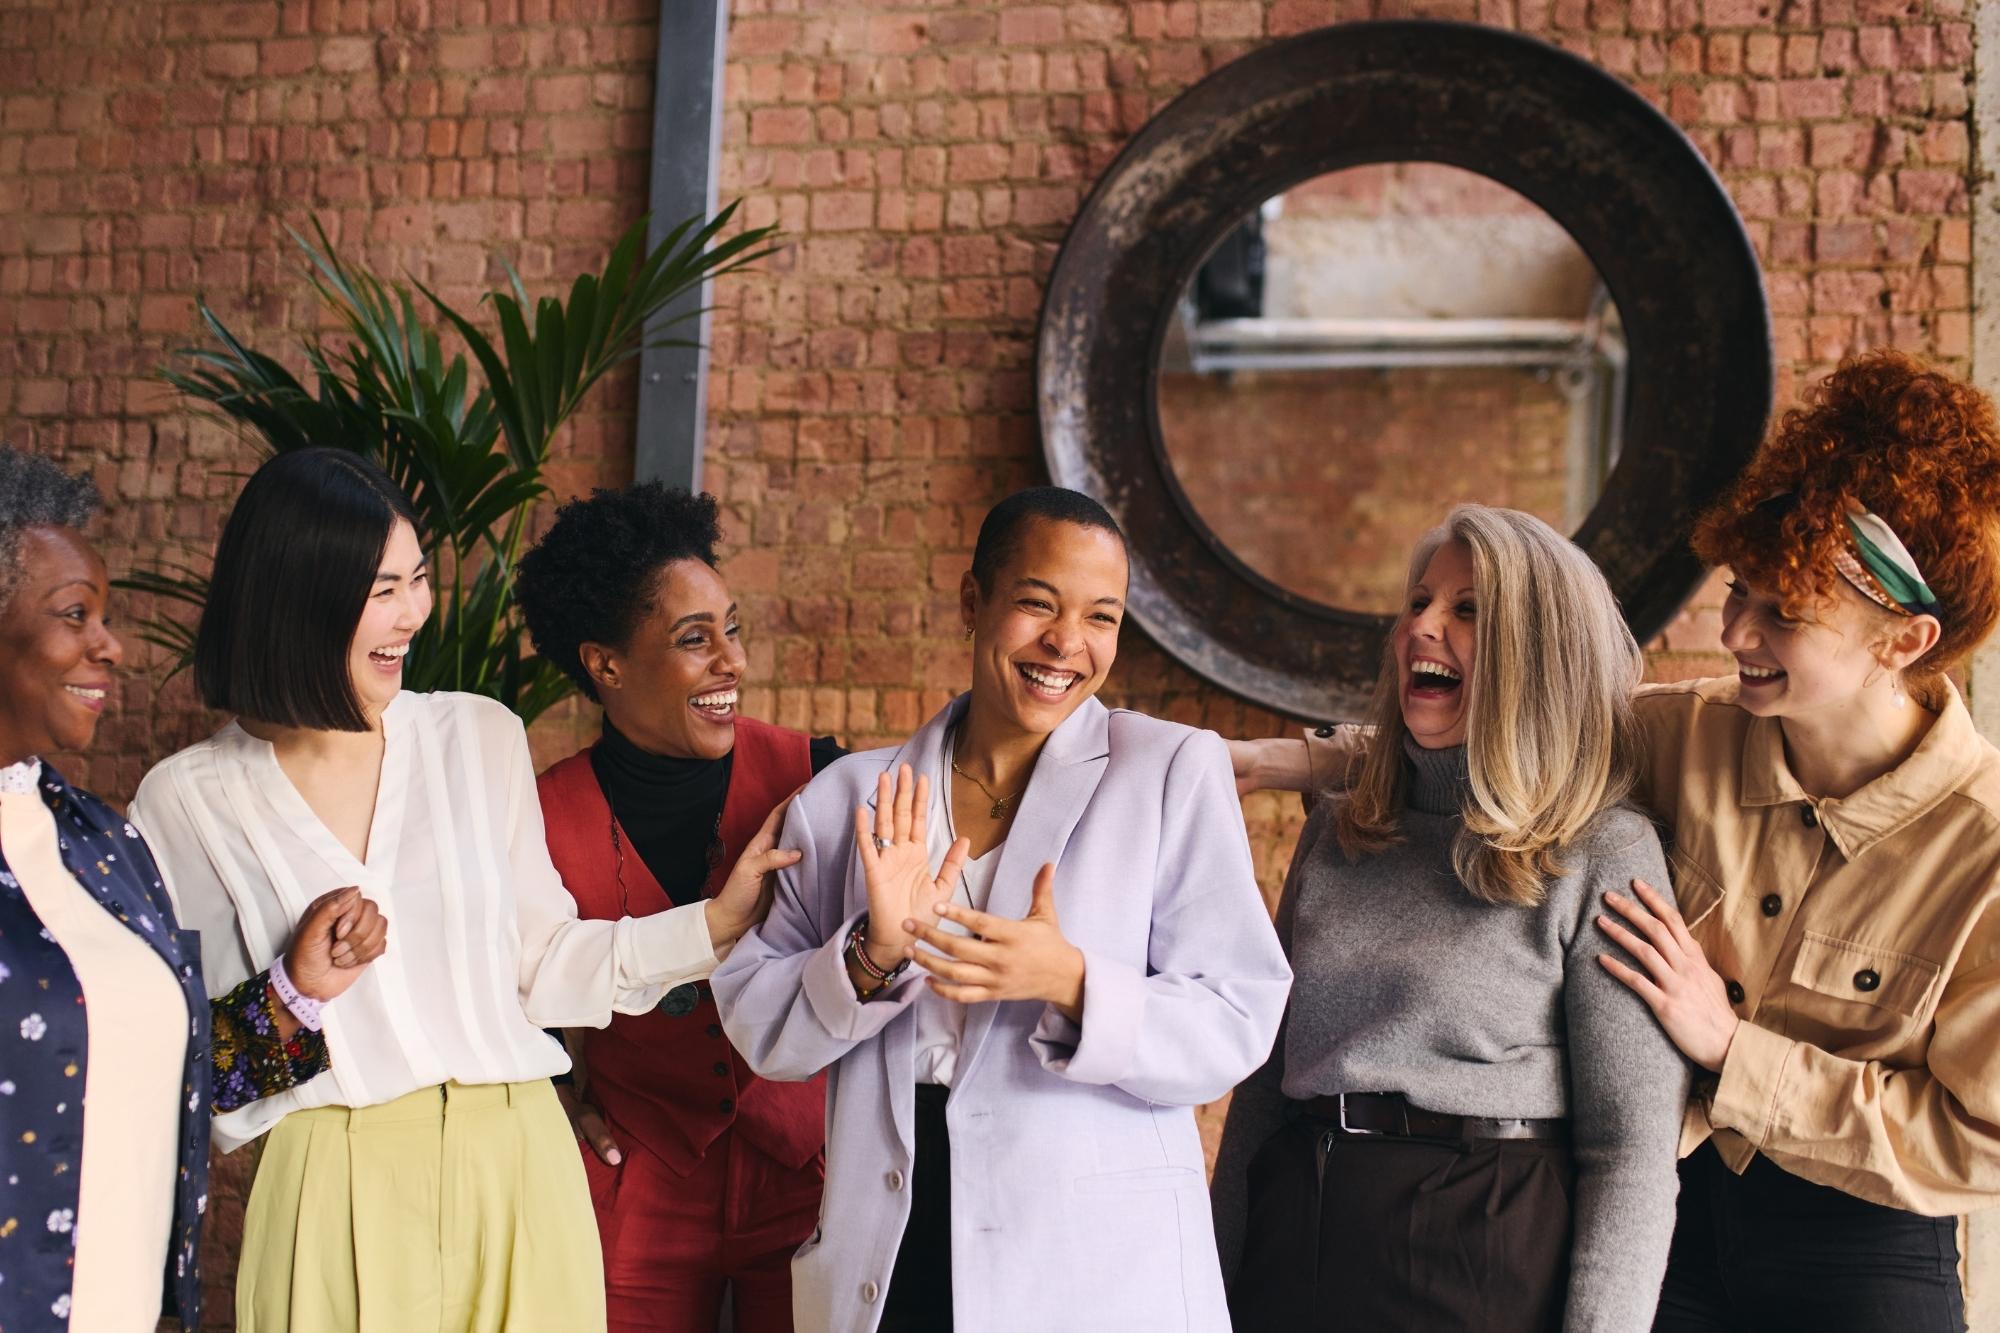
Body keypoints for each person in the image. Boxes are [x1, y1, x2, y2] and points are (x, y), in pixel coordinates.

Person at [1230, 351, 2000, 1330]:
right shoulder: (1681, 731)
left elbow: (1979, 1140)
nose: (1734, 635)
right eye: (1737, 592)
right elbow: (1507, 724)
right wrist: (1294, 762)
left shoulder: (1981, 850)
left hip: (1857, 1236)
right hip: (1679, 1208)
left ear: (1903, 643)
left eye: (1781, 614)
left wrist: (1732, 1049)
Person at [129, 448, 797, 1333]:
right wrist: (295, 991)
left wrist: (714, 923)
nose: (413, 612)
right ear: (300, 595)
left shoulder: (475, 737)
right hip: (333, 1184)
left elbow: (545, 963)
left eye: (416, 579)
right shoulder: (186, 801)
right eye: (382, 590)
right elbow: (193, 1077)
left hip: (519, 1164)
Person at [711, 487, 1292, 1333]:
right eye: (1036, 603)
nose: (1067, 643)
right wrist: (871, 954)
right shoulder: (847, 801)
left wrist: (1073, 981)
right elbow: (762, 1029)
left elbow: (1238, 1015)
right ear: (972, 602)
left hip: (1092, 1263)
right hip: (893, 1240)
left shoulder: (1169, 771)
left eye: (1102, 616)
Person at [1209, 504, 1690, 1332]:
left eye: (1468, 610)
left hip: (1481, 1254)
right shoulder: (1340, 823)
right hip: (1295, 1239)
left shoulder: (1606, 849)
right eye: (1419, 602)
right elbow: (1260, 1092)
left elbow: (1630, 1154)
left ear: (1534, 652)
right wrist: (1202, 1290)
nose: (1421, 627)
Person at [0, 446, 384, 1332]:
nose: (111, 645)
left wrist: (296, 993)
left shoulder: (104, 845)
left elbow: (166, 1078)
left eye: (106, 614)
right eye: (74, 615)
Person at [516, 482, 842, 1333]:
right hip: (638, 1175)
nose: (731, 661)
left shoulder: (814, 773)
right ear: (607, 664)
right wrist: (554, 1095)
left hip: (805, 1169)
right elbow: (503, 991)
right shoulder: (538, 816)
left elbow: (978, 776)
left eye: (730, 628)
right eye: (694, 640)